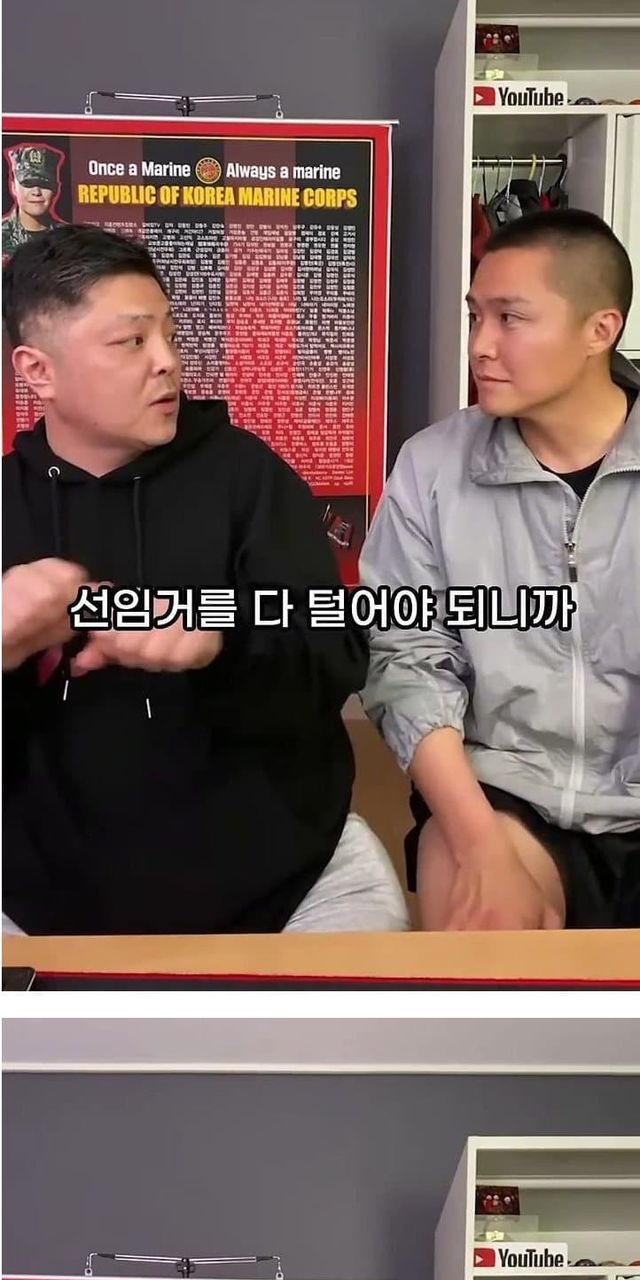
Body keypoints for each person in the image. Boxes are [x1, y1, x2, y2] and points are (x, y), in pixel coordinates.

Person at [2, 223, 409, 936]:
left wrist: (220, 639)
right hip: (37, 897)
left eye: (168, 333)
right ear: (39, 371)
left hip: (286, 880)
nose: (168, 362)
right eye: (131, 341)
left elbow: (337, 651)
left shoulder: (248, 478)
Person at [360, 208, 640, 931]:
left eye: (510, 318)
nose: (480, 345)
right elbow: (407, 658)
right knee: (488, 949)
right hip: (504, 797)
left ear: (599, 330)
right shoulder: (432, 466)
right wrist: (480, 844)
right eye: (475, 316)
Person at [2, 144, 63, 259]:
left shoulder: (69, 239)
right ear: (13, 187)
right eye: (28, 184)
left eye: (44, 184)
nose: (36, 192)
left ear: (56, 188)